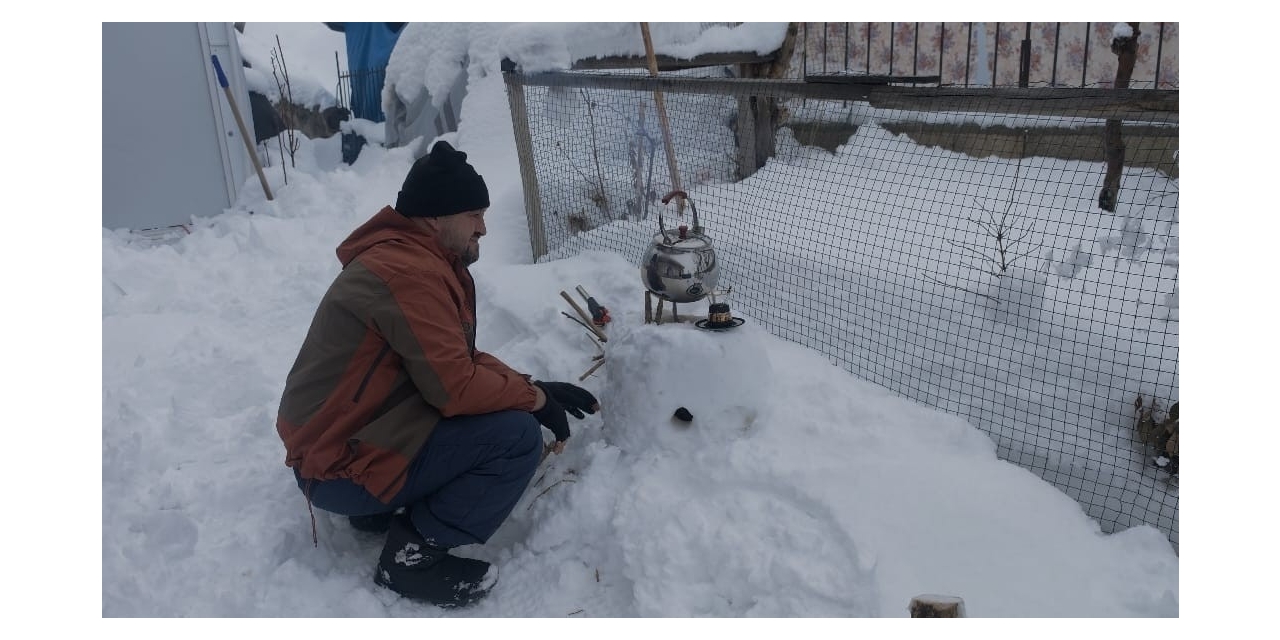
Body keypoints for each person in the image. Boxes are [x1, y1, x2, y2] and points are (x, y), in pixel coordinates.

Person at [275, 139, 600, 608]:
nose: (483, 228)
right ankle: (411, 559)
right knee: (514, 438)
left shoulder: (409, 259)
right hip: (335, 467)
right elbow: (457, 388)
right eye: (474, 215)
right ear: (434, 218)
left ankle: (376, 508)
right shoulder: (408, 274)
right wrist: (534, 403)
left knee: (490, 413)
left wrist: (532, 388)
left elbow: (452, 360)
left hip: (333, 448)